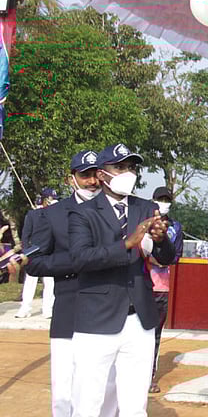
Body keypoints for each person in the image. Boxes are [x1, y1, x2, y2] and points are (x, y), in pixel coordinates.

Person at [68, 143, 175, 417]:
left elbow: (165, 257)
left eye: (131, 167)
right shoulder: (83, 212)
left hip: (140, 318)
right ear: (102, 174)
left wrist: (161, 241)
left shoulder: (146, 207)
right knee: (88, 402)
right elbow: (81, 258)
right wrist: (127, 243)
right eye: (120, 167)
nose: (127, 173)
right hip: (97, 319)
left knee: (134, 405)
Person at [26, 151, 118, 417]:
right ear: (71, 179)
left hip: (108, 309)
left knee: (107, 388)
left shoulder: (117, 210)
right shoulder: (52, 215)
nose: (91, 182)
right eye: (84, 175)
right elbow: (35, 263)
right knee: (65, 391)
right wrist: (81, 260)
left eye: (96, 175)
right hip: (70, 308)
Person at [148, 186, 184, 394]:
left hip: (161, 287)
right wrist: (154, 259)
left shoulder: (175, 227)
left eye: (166, 199)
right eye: (160, 198)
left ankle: (149, 375)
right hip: (141, 284)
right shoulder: (143, 221)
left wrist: (164, 260)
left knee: (155, 335)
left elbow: (175, 256)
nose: (163, 202)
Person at [16, 187, 57, 319]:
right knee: (30, 282)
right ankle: (25, 308)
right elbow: (25, 235)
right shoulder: (32, 214)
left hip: (49, 253)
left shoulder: (57, 215)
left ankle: (48, 310)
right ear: (45, 200)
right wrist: (26, 252)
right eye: (51, 199)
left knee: (50, 283)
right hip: (33, 254)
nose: (53, 202)